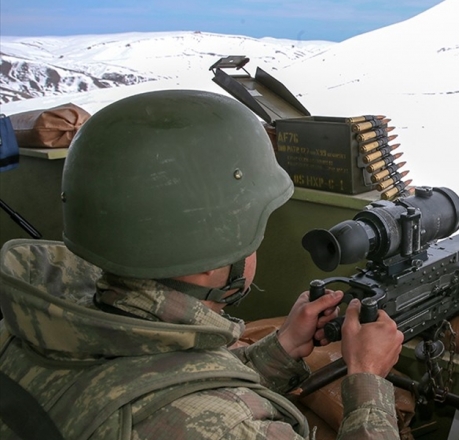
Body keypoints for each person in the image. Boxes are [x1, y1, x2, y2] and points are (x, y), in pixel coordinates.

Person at [0, 89, 404, 439]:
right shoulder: (232, 429)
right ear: (214, 261)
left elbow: (163, 381)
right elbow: (199, 415)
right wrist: (366, 378)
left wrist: (281, 349)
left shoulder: (28, 327)